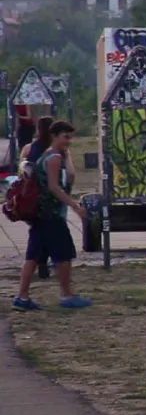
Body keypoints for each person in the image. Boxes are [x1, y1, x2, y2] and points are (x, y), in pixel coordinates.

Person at [12, 121, 92, 311]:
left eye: (70, 137)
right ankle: (67, 295)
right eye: (65, 137)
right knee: (64, 254)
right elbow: (54, 187)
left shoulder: (47, 154)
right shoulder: (54, 158)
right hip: (50, 214)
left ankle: (21, 298)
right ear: (54, 136)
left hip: (40, 214)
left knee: (33, 256)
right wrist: (75, 206)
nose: (69, 141)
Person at [19, 117, 54, 279]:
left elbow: (22, 173)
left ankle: (39, 261)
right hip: (52, 195)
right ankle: (46, 259)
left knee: (36, 229)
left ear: (37, 130)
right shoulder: (56, 150)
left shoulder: (28, 149)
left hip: (33, 195)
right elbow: (70, 173)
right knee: (52, 228)